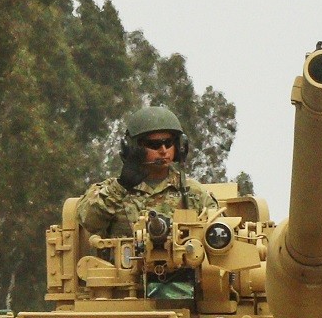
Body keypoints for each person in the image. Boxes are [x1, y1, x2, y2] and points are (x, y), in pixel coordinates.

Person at [73, 106, 219, 303]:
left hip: (183, 296)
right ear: (133, 149)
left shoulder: (194, 193)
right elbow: (89, 220)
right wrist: (121, 186)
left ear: (179, 146)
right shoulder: (113, 190)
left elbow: (218, 240)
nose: (163, 150)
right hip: (123, 298)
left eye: (169, 143)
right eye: (154, 144)